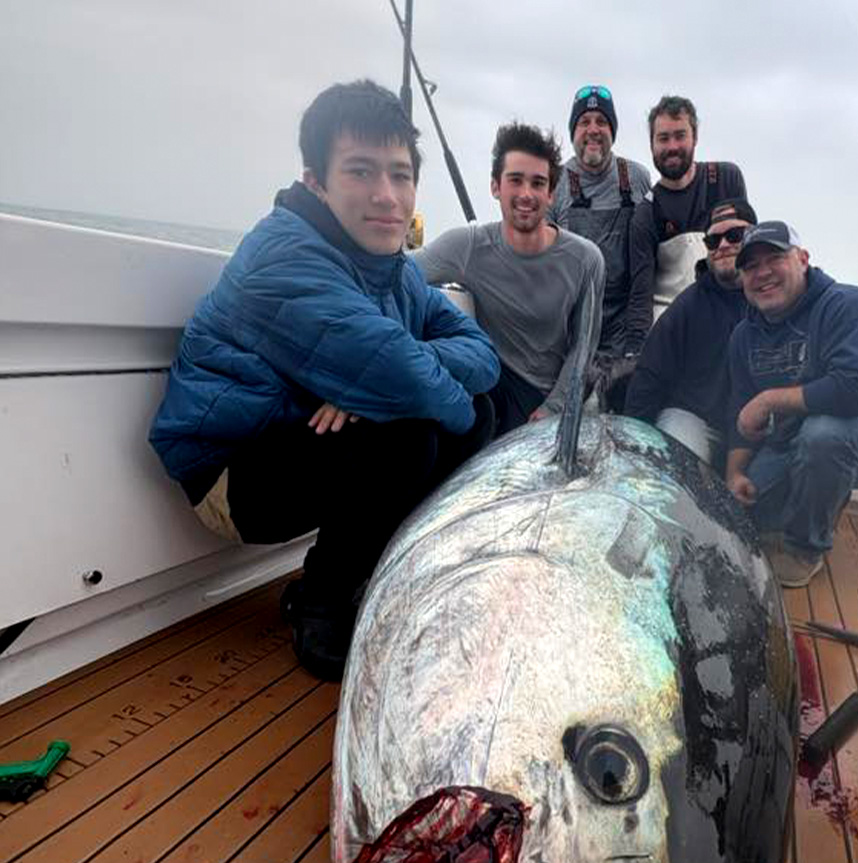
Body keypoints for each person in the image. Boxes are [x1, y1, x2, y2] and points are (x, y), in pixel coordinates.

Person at [149, 79, 500, 681]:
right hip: (230, 473)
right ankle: (321, 600)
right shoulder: (284, 257)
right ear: (316, 181)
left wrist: (378, 385)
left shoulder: (392, 268)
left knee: (472, 411)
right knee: (411, 431)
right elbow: (416, 382)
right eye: (361, 171)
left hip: (298, 440)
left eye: (400, 175)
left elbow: (482, 354)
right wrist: (393, 384)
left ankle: (373, 572)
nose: (387, 195)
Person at [725, 221, 858, 588]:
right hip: (790, 440)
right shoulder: (744, 335)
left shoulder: (850, 305)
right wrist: (734, 474)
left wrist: (769, 400)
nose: (763, 273)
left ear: (803, 259)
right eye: (751, 266)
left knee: (826, 434)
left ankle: (805, 550)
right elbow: (741, 411)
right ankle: (816, 504)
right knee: (741, 517)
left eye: (774, 259)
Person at [414, 122, 605, 432]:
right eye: (515, 180)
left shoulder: (586, 260)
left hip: (544, 401)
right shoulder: (467, 246)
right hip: (489, 386)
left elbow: (583, 350)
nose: (526, 194)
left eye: (538, 183)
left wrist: (553, 408)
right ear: (495, 186)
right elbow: (394, 273)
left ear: (551, 194)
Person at [624, 198, 756, 469]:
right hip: (696, 419)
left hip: (758, 426)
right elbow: (648, 377)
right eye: (713, 240)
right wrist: (630, 446)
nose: (723, 245)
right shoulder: (688, 306)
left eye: (734, 235)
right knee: (677, 453)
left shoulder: (778, 297)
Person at [548, 86, 650, 406]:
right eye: (584, 122)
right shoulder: (554, 182)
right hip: (573, 330)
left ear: (612, 131)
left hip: (626, 331)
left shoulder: (638, 177)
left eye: (602, 122)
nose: (593, 129)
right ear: (573, 131)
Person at [624, 95, 748, 357]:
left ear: (695, 137)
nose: (672, 146)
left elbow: (749, 258)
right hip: (675, 335)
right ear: (651, 144)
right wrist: (634, 355)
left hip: (733, 323)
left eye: (680, 136)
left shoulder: (726, 180)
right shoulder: (646, 214)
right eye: (663, 138)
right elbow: (640, 296)